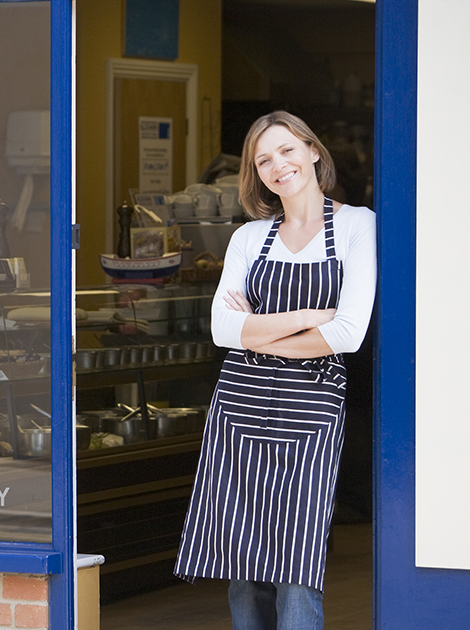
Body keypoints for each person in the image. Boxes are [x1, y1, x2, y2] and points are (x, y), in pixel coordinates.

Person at [174, 111, 377, 630]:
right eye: (263, 159)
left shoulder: (357, 224)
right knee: (241, 562)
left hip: (311, 409)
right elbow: (222, 329)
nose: (277, 165)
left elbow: (348, 334)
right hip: (239, 409)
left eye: (287, 151)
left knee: (297, 564)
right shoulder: (249, 238)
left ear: (312, 151)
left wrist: (259, 331)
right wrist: (309, 319)